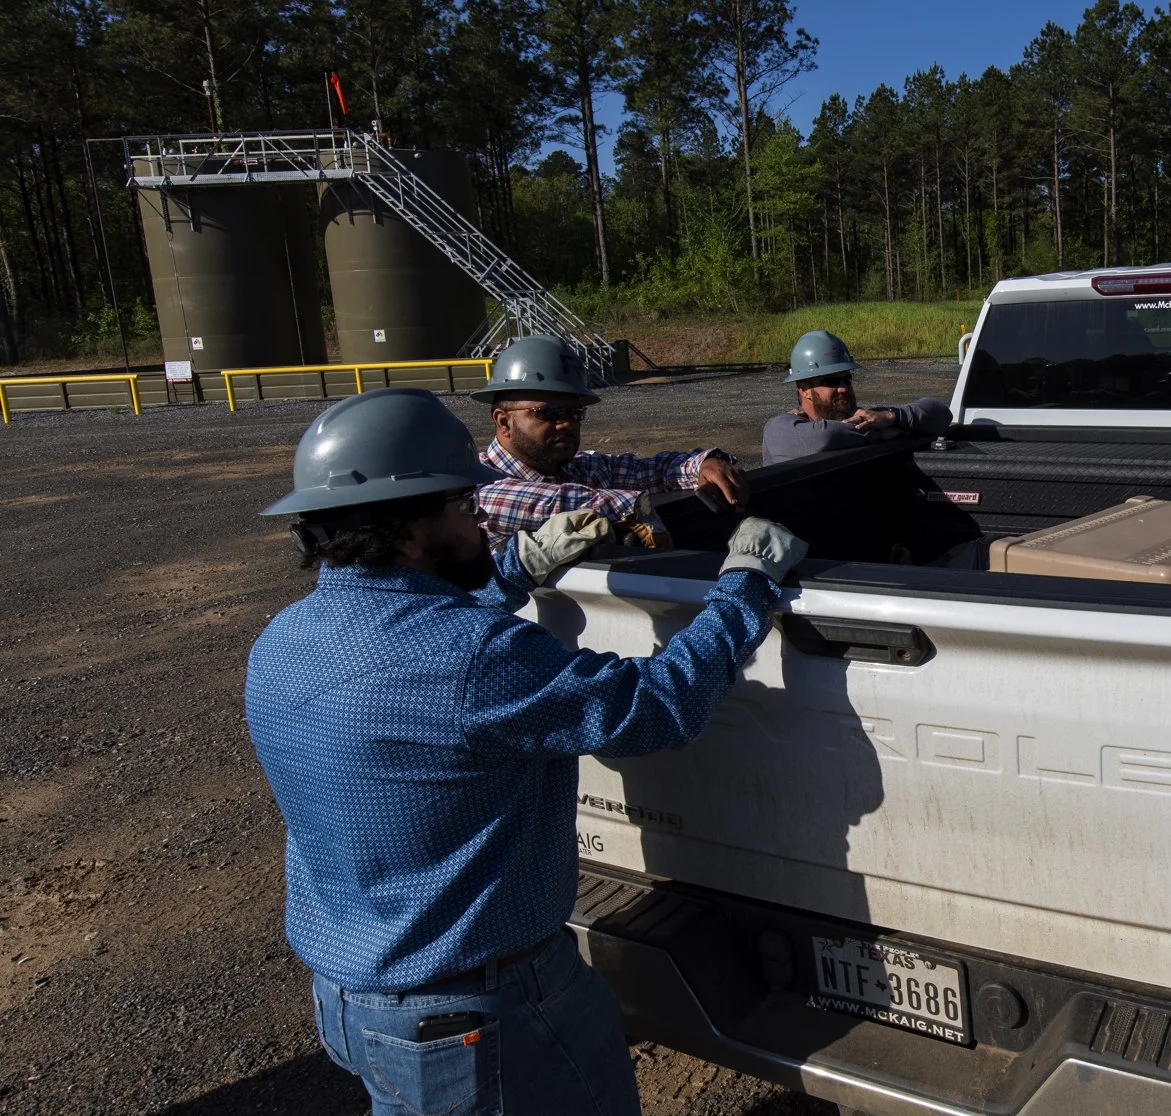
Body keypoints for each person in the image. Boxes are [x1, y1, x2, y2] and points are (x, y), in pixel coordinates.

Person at [245, 386, 807, 1116]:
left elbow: (414, 658)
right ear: (407, 528)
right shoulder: (476, 658)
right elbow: (653, 706)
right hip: (482, 1014)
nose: (480, 517)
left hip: (355, 1003)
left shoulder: (281, 642)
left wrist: (515, 569)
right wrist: (745, 588)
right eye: (461, 507)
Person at [472, 335, 747, 546]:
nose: (566, 423)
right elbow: (559, 504)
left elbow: (649, 470)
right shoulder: (475, 489)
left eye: (575, 413)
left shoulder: (578, 469)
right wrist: (640, 507)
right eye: (549, 413)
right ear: (503, 421)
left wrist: (703, 465)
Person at [761, 329, 951, 465]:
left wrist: (891, 417)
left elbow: (940, 413)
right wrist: (879, 434)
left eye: (846, 379)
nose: (843, 388)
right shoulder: (781, 428)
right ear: (804, 390)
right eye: (831, 381)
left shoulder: (867, 419)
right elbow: (824, 438)